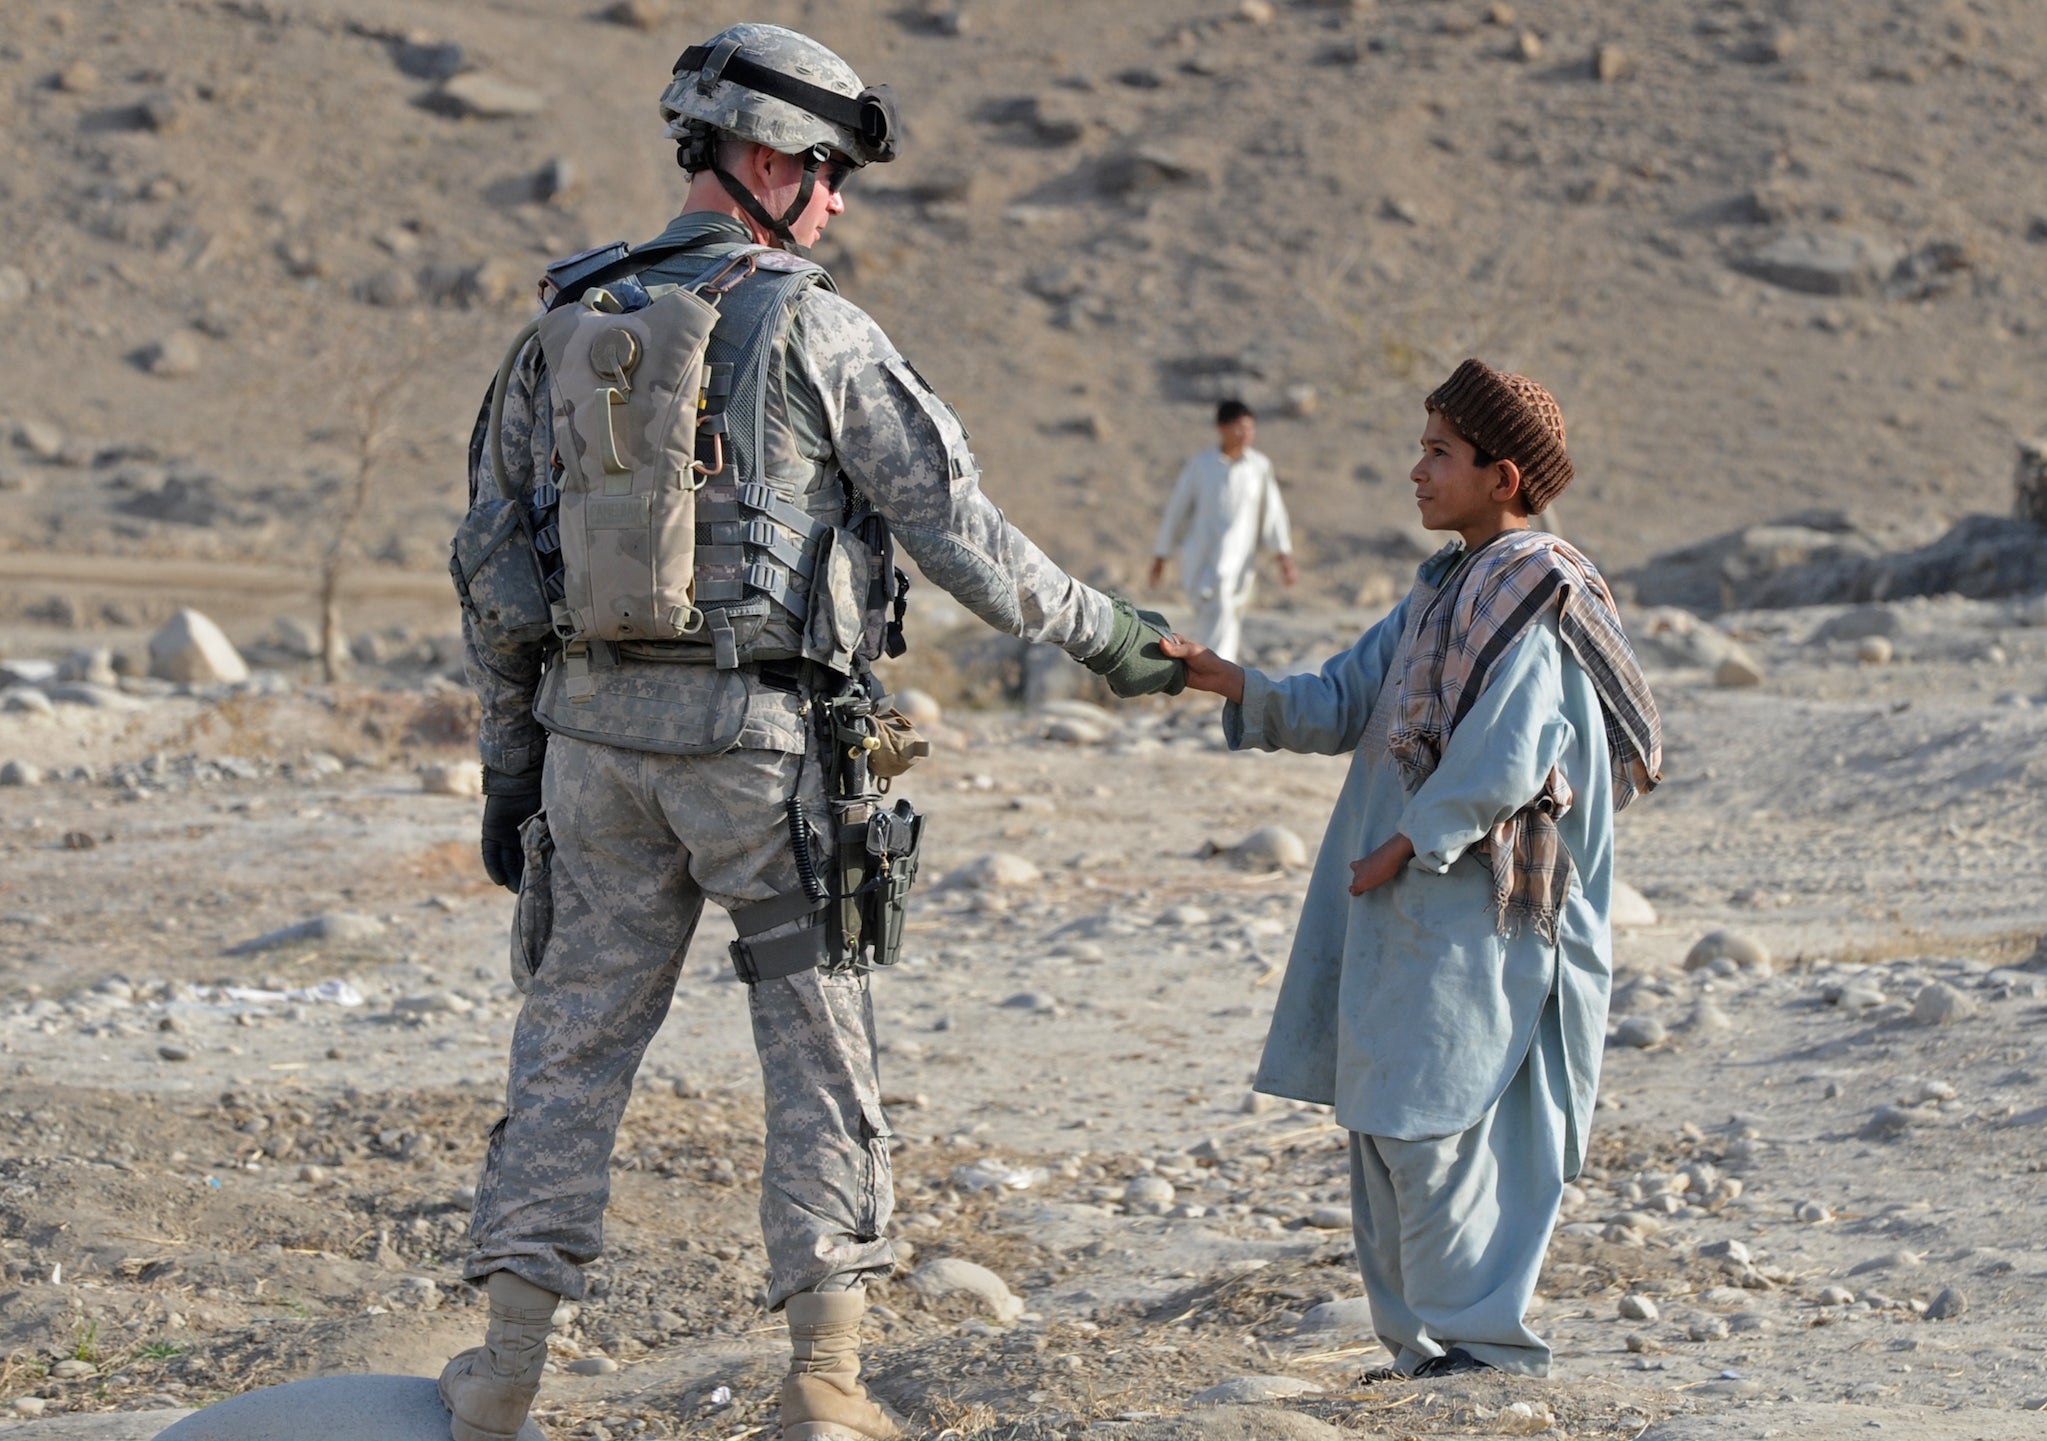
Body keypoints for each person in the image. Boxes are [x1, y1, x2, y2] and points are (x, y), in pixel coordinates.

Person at [441, 24, 1183, 1441]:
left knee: (570, 1051)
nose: (835, 204)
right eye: (828, 174)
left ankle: (506, 1375)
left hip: (595, 767)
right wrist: (1113, 639)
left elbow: (493, 574)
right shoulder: (817, 331)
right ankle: (824, 1385)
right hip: (760, 775)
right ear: (766, 161)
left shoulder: (557, 328)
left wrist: (509, 768)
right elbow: (959, 539)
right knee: (811, 1045)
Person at [1161, 360, 1661, 1380]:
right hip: (1405, 903)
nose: (1416, 471)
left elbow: (1517, 743)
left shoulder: (1531, 587)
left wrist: (1413, 836)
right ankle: (1420, 1349)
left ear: (1503, 476)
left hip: (1479, 907)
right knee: (1382, 1121)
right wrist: (1236, 681)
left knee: (1445, 1120)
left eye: (1439, 452)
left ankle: (1481, 1346)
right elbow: (1346, 695)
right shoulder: (1440, 589)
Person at [1147, 399, 1297, 663]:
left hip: (1239, 559)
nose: (1246, 433)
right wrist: (1162, 555)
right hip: (1202, 554)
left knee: (1226, 607)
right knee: (1215, 610)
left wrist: (1283, 557)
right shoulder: (1201, 466)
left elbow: (1273, 512)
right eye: (1239, 427)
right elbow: (1177, 511)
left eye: (1250, 427)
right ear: (1222, 428)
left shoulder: (1259, 468)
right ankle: (1213, 671)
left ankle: (1214, 673)